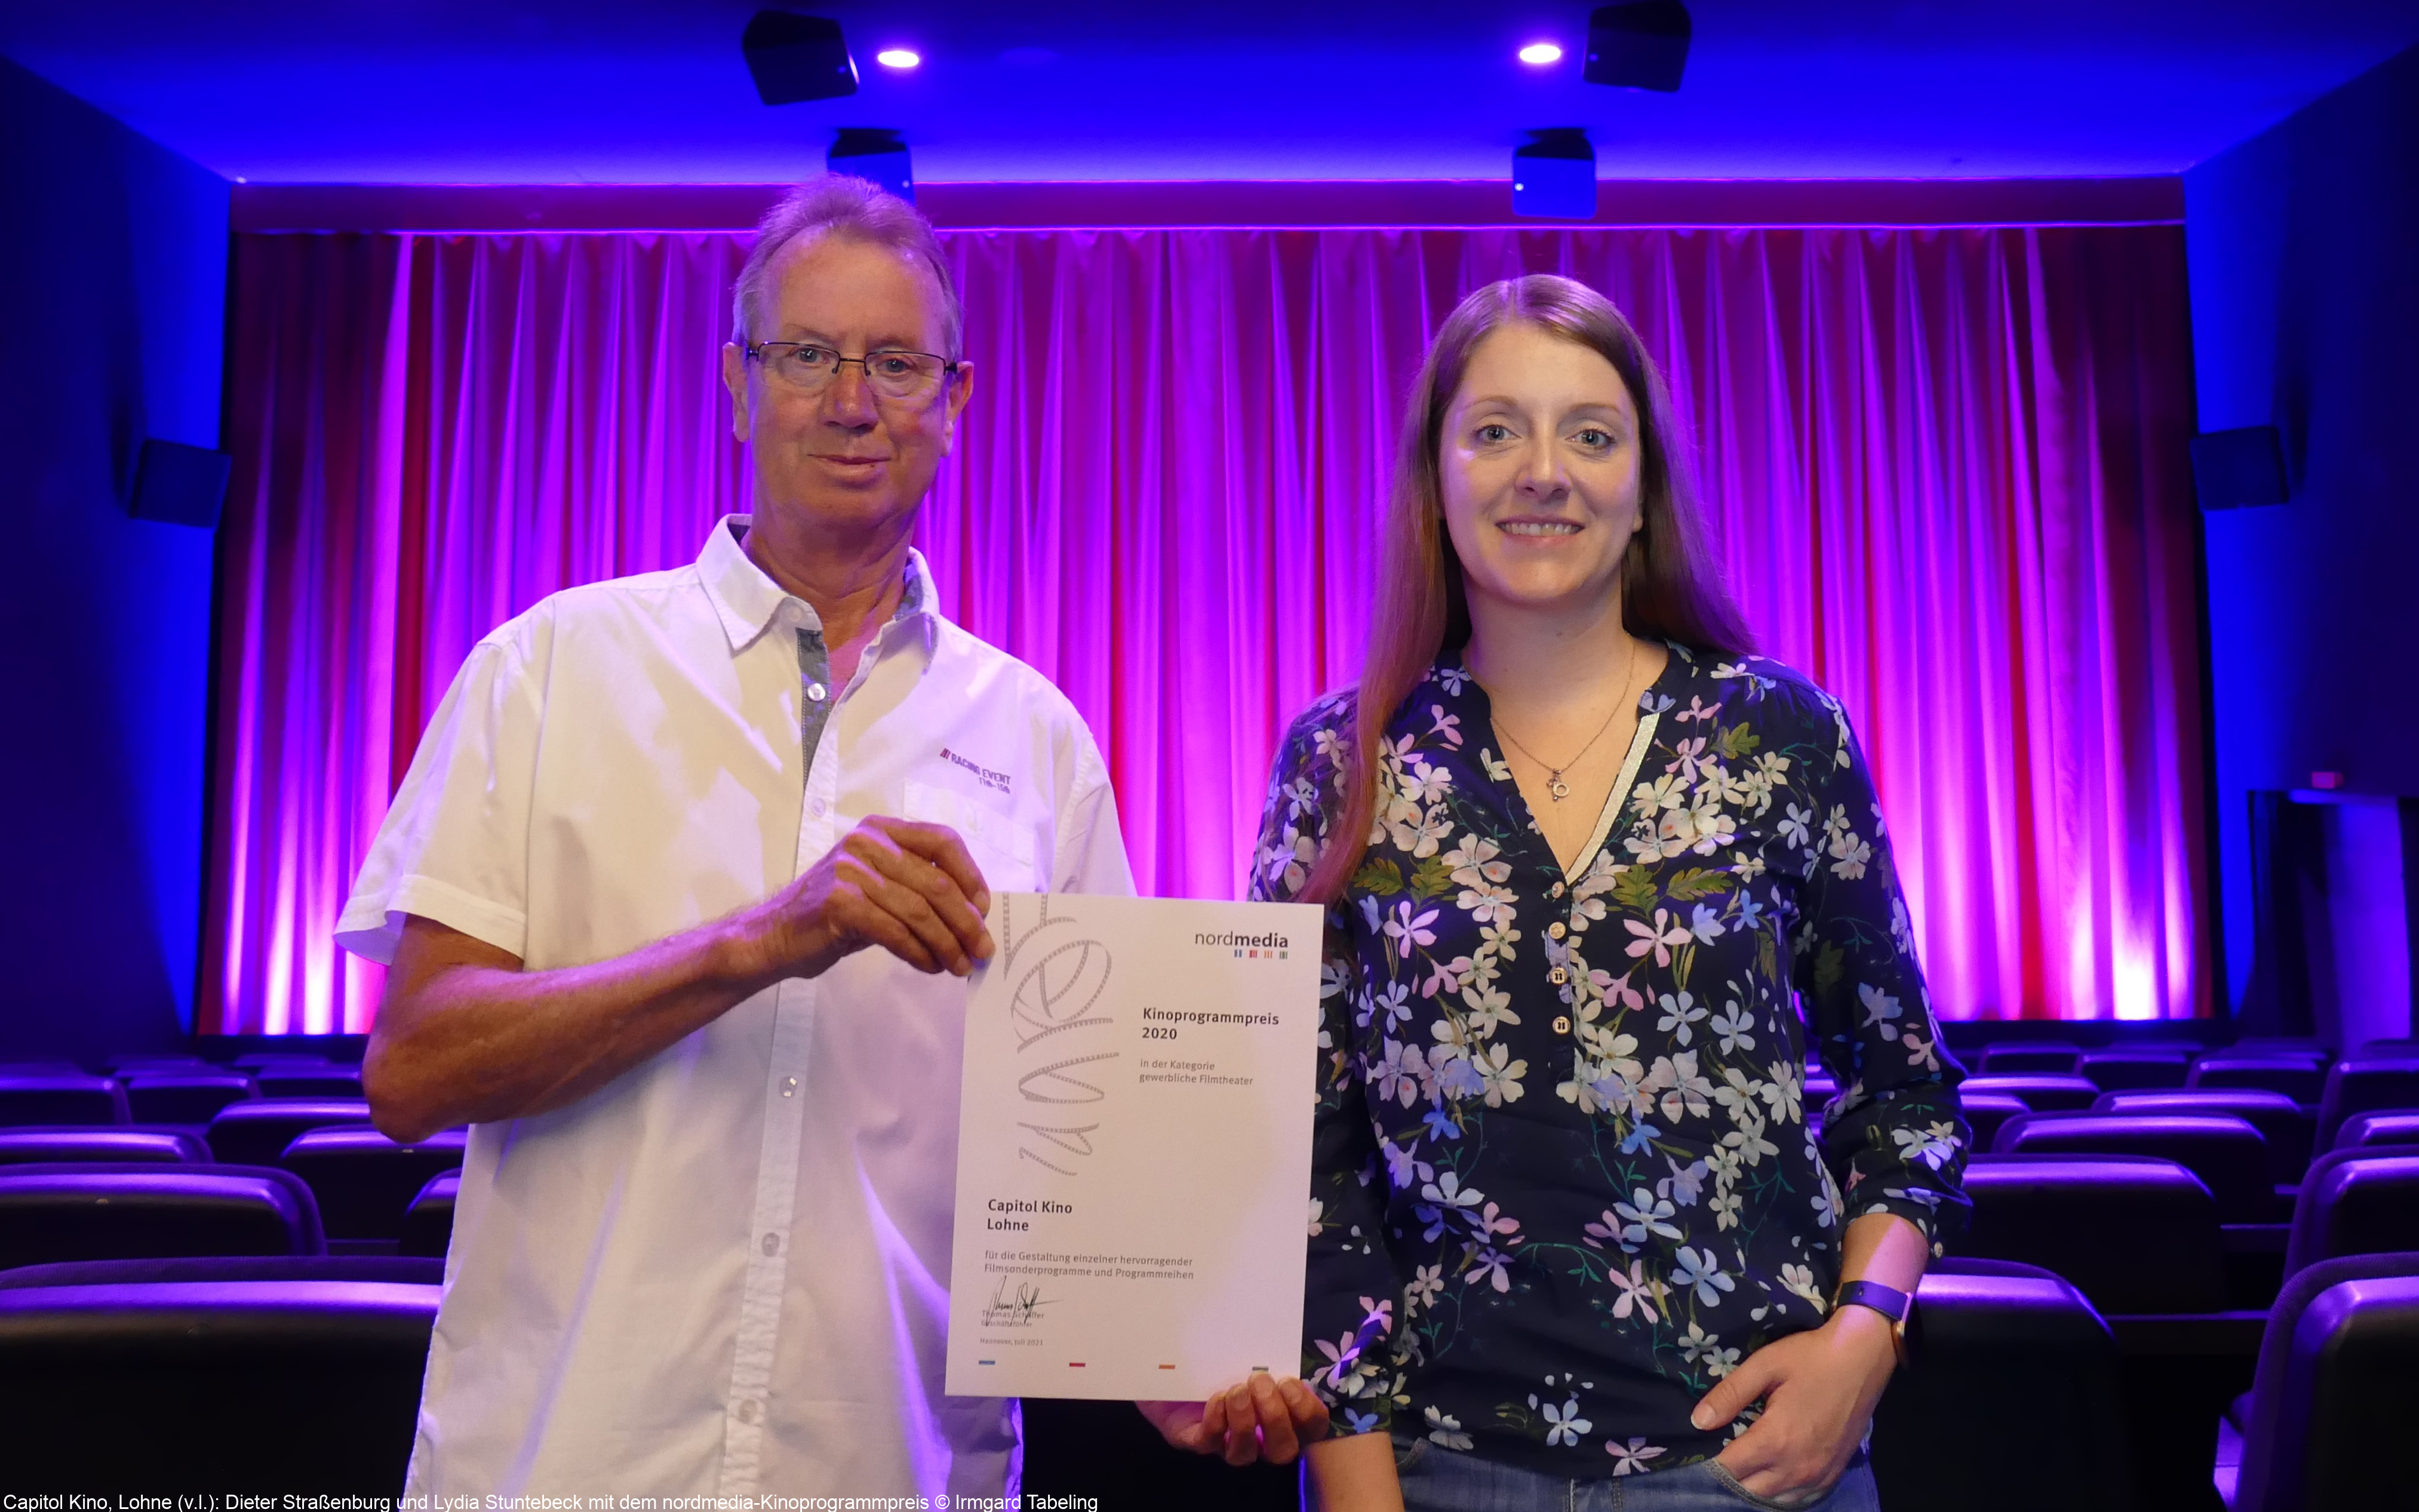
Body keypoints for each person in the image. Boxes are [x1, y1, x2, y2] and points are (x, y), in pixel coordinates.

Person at [340, 175, 1171, 1498]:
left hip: (888, 1471)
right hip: (564, 1470)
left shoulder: (1040, 740)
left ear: (957, 404)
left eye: (898, 364)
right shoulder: (549, 669)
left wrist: (1183, 1361)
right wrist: (765, 941)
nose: (854, 403)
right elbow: (413, 1074)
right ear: (737, 384)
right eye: (808, 357)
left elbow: (1092, 1139)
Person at [1246, 274, 1970, 1511]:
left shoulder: (1778, 733)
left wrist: (1868, 1337)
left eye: (1591, 433)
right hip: (1430, 1468)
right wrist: (1354, 1481)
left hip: (1753, 1464)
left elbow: (1906, 1096)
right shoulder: (1339, 760)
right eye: (1494, 431)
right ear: (1436, 481)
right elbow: (1300, 1155)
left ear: (1643, 493)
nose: (1543, 472)